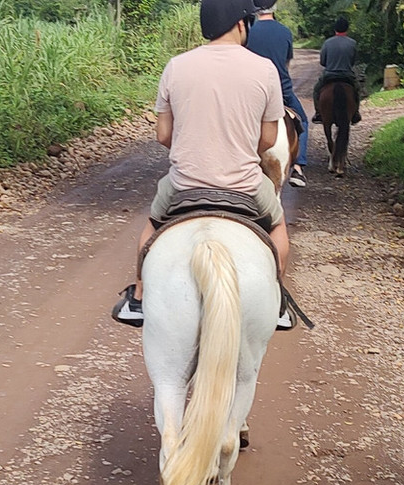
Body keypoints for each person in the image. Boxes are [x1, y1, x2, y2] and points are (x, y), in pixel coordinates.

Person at [112, 0, 294, 330]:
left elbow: (164, 135)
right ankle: (278, 300)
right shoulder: (264, 69)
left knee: (152, 226)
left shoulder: (175, 66)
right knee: (279, 227)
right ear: (242, 25)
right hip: (245, 185)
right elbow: (268, 139)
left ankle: (138, 297)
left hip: (184, 183)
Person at [245, 1, 309, 188]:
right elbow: (286, 63)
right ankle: (297, 168)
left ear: (256, 9)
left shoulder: (249, 32)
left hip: (253, 92)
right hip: (281, 91)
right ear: (274, 8)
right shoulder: (285, 32)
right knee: (303, 120)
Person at [311, 15, 361, 125]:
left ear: (335, 29)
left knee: (316, 91)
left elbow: (323, 62)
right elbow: (353, 61)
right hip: (347, 75)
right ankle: (356, 113)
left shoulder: (327, 43)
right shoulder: (352, 43)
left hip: (329, 75)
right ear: (347, 29)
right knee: (357, 90)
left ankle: (318, 113)